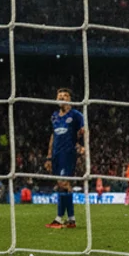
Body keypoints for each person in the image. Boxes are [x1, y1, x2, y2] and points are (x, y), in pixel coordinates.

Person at [45, 88, 86, 229]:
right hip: (56, 155)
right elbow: (53, 136)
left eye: (65, 96)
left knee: (64, 184)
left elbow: (84, 131)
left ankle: (59, 219)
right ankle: (71, 219)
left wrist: (82, 146)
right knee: (62, 187)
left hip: (68, 154)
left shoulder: (76, 115)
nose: (61, 98)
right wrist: (49, 157)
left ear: (69, 99)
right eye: (59, 96)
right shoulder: (55, 116)